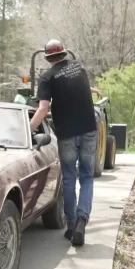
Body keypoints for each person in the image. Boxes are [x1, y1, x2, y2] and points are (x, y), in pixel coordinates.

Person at [29, 39, 101, 247]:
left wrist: (28, 130)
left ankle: (71, 227)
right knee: (87, 177)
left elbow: (43, 109)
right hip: (88, 129)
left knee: (69, 179)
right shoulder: (80, 69)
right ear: (64, 53)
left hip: (67, 133)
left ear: (47, 57)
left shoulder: (47, 76)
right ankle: (82, 219)